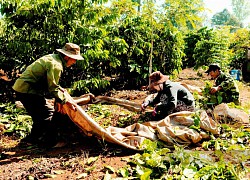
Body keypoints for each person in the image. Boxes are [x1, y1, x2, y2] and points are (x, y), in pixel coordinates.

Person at [12, 42, 84, 147]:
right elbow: (52, 88)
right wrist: (65, 101)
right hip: (27, 90)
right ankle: (49, 142)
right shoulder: (56, 65)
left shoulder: (53, 58)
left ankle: (32, 140)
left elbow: (53, 84)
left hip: (25, 88)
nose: (75, 61)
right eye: (74, 59)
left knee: (39, 115)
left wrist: (61, 95)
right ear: (67, 57)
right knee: (47, 114)